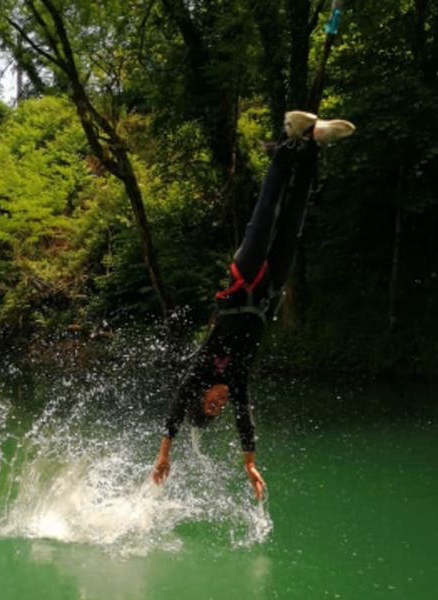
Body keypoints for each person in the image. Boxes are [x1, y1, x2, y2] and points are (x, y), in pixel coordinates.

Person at [151, 110, 355, 500]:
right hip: (269, 289)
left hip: (243, 279)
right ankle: (312, 144)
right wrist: (249, 463)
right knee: (293, 222)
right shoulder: (237, 383)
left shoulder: (202, 368)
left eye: (210, 406)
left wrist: (165, 453)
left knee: (266, 217)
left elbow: (177, 405)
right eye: (217, 409)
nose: (218, 403)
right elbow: (245, 420)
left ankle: (286, 142)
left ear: (201, 395)